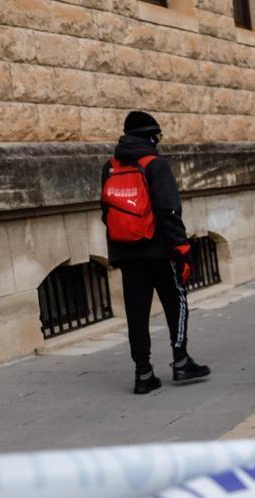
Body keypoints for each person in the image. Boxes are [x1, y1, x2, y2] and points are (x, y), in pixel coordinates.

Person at [100, 111, 211, 394]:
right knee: (177, 304)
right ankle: (181, 361)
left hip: (126, 252)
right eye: (157, 136)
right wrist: (182, 248)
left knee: (136, 315)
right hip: (160, 251)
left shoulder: (110, 166)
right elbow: (168, 210)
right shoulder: (155, 165)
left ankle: (143, 373)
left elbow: (106, 212)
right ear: (150, 136)